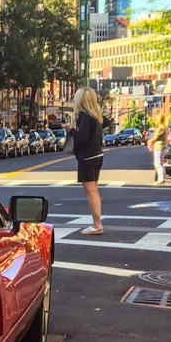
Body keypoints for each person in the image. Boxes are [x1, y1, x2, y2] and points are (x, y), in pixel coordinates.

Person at [68, 86, 105, 235]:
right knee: (94, 190)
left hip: (87, 157)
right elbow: (105, 123)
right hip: (97, 155)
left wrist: (71, 131)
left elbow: (81, 138)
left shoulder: (85, 116)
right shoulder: (96, 116)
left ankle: (97, 224)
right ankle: (97, 223)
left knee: (91, 192)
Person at [147, 114, 169, 185]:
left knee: (158, 163)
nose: (155, 121)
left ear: (159, 120)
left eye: (156, 119)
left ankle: (161, 179)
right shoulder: (165, 128)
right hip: (163, 147)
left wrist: (149, 141)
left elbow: (155, 138)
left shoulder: (160, 128)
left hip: (159, 147)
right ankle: (162, 178)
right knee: (160, 163)